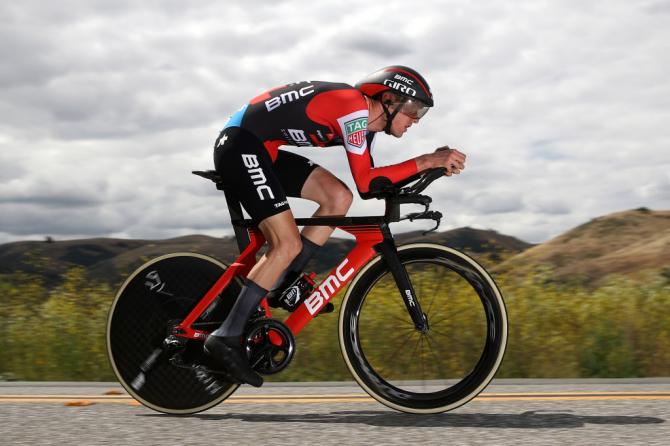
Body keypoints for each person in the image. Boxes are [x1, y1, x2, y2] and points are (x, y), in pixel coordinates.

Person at [204, 65, 466, 386]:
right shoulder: (353, 108)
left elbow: (365, 186)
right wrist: (426, 161)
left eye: (422, 113)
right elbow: (368, 183)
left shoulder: (364, 125)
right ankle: (226, 335)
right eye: (414, 109)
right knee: (286, 244)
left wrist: (426, 169)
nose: (416, 119)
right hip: (241, 145)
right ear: (388, 98)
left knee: (337, 197)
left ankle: (284, 281)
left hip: (263, 148)